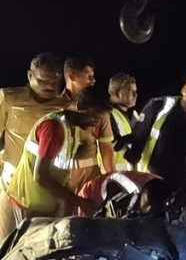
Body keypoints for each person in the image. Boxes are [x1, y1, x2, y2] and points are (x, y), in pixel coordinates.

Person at [0, 90, 109, 237]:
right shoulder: (54, 128)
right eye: (94, 116)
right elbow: (40, 176)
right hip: (26, 206)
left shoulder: (71, 129)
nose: (96, 123)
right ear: (80, 106)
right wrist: (79, 201)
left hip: (43, 208)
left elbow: (60, 173)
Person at [125, 71, 186, 198]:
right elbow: (135, 149)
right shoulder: (158, 107)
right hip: (151, 188)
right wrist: (135, 185)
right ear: (184, 92)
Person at [0, 53, 71, 188]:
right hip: (13, 177)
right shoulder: (10, 98)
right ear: (30, 76)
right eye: (43, 81)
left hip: (51, 180)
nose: (50, 86)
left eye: (55, 82)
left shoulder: (67, 106)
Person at [108, 73, 140, 170]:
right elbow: (113, 144)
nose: (135, 95)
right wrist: (139, 136)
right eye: (131, 91)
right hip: (116, 172)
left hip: (132, 172)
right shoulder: (108, 115)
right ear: (118, 93)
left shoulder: (134, 114)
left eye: (135, 91)